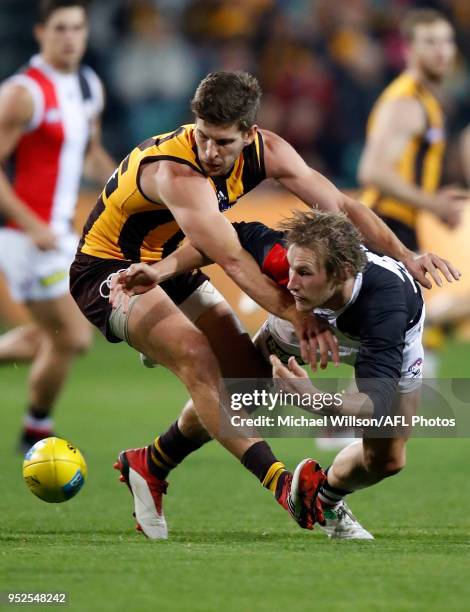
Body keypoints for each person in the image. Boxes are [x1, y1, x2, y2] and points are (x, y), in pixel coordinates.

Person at [71, 70, 457, 540]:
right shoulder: (176, 171)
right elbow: (232, 257)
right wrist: (297, 315)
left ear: (249, 134)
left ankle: (149, 462)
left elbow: (340, 204)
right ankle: (284, 485)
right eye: (204, 137)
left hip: (173, 262)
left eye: (224, 143)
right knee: (198, 360)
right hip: (112, 273)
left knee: (248, 386)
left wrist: (406, 255)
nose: (211, 152)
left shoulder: (268, 150)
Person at [114, 208, 457, 539]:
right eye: (291, 268)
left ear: (343, 272)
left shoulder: (386, 307)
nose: (290, 282)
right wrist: (161, 271)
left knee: (387, 459)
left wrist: (317, 401)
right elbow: (213, 240)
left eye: (304, 273)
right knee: (240, 392)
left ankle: (326, 496)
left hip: (382, 341)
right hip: (306, 320)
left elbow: (375, 400)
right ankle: (152, 461)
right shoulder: (293, 261)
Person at [0, 0, 115, 451]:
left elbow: (90, 151)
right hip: (25, 237)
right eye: (61, 28)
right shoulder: (22, 93)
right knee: (72, 335)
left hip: (64, 234)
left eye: (78, 28)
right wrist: (31, 225)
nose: (70, 37)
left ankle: (35, 428)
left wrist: (125, 182)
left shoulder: (88, 85)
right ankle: (36, 429)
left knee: (60, 337)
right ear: (41, 32)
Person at [358, 8, 468, 253]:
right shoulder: (406, 101)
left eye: (447, 41)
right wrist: (433, 204)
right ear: (408, 49)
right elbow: (373, 171)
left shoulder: (428, 101)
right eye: (430, 42)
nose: (441, 51)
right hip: (382, 224)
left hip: (397, 226)